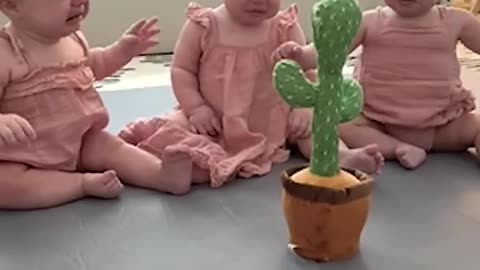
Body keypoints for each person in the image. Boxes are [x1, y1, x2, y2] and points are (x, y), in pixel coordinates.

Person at [119, 0, 384, 192]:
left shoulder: (284, 27)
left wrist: (304, 109)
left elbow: (307, 69)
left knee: (314, 129)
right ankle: (179, 169)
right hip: (214, 120)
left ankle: (341, 156)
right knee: (177, 131)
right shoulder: (204, 25)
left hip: (277, 119)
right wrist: (196, 108)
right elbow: (182, 70)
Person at [0, 0, 194, 210]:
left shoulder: (73, 40)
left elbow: (94, 65)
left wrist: (121, 50)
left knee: (112, 148)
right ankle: (79, 185)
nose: (79, 2)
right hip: (25, 156)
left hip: (81, 141)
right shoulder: (6, 54)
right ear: (12, 5)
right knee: (7, 186)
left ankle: (160, 175)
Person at [273, 0, 480, 169]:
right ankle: (396, 148)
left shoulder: (457, 21)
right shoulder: (370, 21)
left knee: (476, 127)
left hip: (441, 124)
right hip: (378, 122)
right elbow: (329, 50)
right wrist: (300, 55)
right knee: (333, 122)